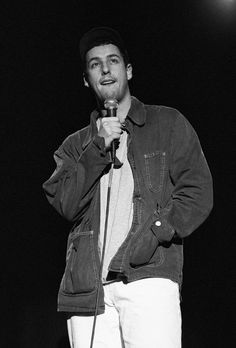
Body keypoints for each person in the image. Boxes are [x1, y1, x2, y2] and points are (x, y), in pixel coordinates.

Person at [43, 27, 213, 348]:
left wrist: (156, 232)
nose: (105, 69)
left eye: (113, 61)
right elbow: (65, 203)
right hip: (88, 293)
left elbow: (197, 191)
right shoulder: (74, 145)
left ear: (128, 70)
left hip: (148, 277)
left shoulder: (167, 123)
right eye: (95, 64)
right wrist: (97, 147)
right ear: (86, 79)